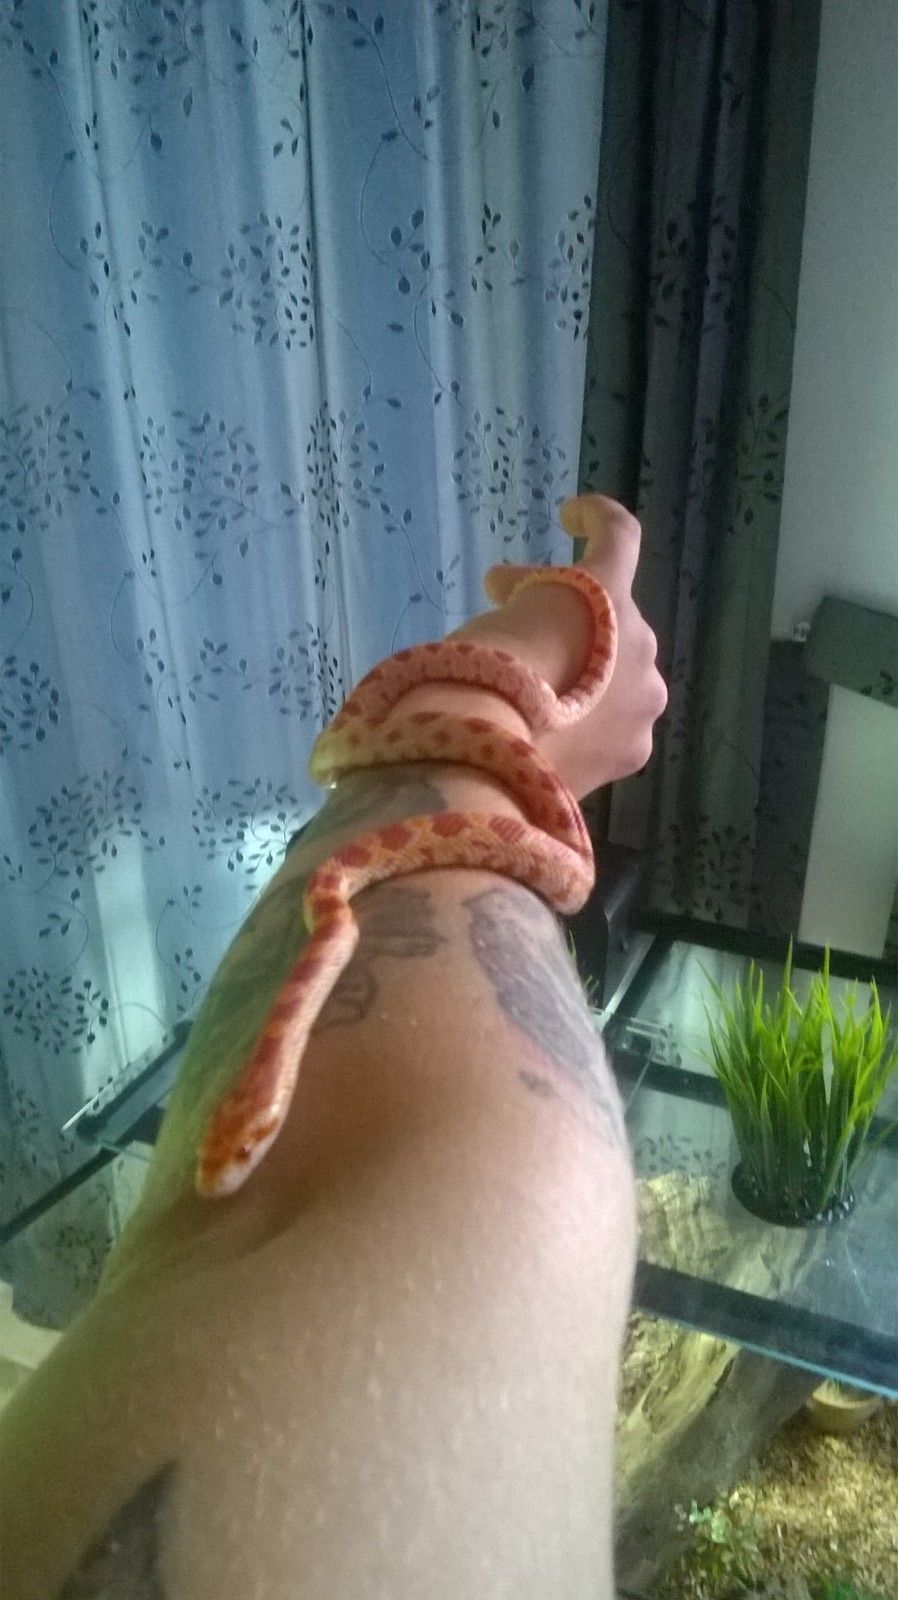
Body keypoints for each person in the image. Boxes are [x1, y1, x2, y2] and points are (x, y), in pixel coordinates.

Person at [0, 494, 667, 1599]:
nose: (226, 1167)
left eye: (242, 1139)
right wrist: (501, 679)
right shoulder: (506, 1172)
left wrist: (498, 678)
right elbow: (510, 1163)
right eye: (238, 1140)